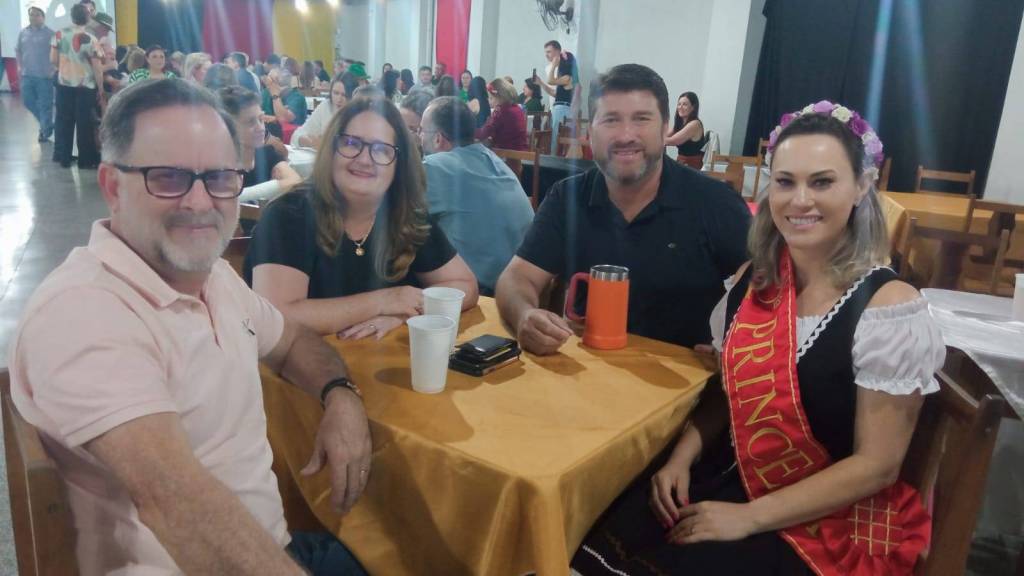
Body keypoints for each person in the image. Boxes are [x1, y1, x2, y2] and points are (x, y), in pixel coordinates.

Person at [8, 78, 370, 576]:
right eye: (169, 177)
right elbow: (178, 504)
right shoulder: (83, 313)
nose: (200, 202)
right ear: (112, 187)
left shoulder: (213, 277)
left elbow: (290, 342)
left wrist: (341, 395)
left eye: (219, 177)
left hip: (271, 547)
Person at [571, 101, 941, 576]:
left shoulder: (888, 308)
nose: (800, 201)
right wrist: (681, 457)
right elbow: (733, 395)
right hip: (729, 478)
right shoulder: (754, 280)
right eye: (785, 182)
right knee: (589, 529)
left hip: (823, 517)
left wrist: (749, 518)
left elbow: (877, 466)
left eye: (822, 182)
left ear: (861, 186)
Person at [496, 64, 750, 354]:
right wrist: (524, 315)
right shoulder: (568, 197)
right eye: (611, 120)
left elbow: (771, 286)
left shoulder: (714, 202)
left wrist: (737, 343)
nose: (626, 135)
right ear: (590, 132)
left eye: (641, 119)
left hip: (686, 376)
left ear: (665, 128)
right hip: (589, 369)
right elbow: (516, 278)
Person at [245, 96, 479, 338]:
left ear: (399, 165)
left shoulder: (405, 214)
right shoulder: (288, 215)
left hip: (381, 358)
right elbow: (277, 317)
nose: (365, 159)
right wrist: (384, 301)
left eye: (381, 149)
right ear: (331, 151)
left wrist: (404, 314)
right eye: (351, 143)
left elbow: (466, 286)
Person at [421, 97, 534, 296]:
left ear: (438, 138)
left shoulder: (433, 167)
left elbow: (394, 215)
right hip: (524, 285)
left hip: (480, 295)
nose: (418, 137)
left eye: (421, 130)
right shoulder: (493, 158)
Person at [220, 86, 303, 205]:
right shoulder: (220, 167)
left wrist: (240, 195)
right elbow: (223, 200)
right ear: (228, 127)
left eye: (261, 119)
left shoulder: (267, 153)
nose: (260, 128)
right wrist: (276, 186)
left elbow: (295, 182)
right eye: (250, 122)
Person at [51, 3, 104, 169]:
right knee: (84, 124)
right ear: (88, 18)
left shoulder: (59, 34)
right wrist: (101, 88)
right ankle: (85, 160)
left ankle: (64, 158)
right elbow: (97, 67)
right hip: (85, 86)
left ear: (72, 16)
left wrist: (64, 69)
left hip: (64, 84)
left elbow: (53, 59)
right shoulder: (91, 39)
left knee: (64, 121)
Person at [16, 6, 55, 143]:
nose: (33, 17)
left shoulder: (51, 34)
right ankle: (47, 125)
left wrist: (53, 69)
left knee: (45, 106)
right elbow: (18, 50)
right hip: (27, 75)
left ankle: (44, 131)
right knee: (28, 101)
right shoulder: (23, 32)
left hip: (45, 76)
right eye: (31, 15)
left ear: (43, 17)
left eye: (37, 15)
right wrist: (19, 66)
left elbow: (58, 53)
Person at [533, 40, 575, 153]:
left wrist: (553, 65)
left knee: (556, 139)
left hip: (562, 108)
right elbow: (555, 93)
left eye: (549, 52)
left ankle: (555, 158)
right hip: (559, 107)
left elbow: (550, 80)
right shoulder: (564, 78)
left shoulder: (568, 78)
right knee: (554, 138)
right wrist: (540, 83)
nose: (546, 55)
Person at [294, 72, 349, 148]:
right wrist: (309, 142)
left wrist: (324, 145)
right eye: (336, 93)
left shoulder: (357, 115)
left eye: (344, 95)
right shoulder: (326, 106)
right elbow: (297, 134)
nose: (339, 99)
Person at [475, 78, 528, 151]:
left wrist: (467, 131)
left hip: (508, 153)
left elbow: (483, 133)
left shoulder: (501, 111)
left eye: (491, 98)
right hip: (522, 152)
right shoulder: (517, 108)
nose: (489, 101)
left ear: (500, 97)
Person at [665, 91, 707, 169]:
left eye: (684, 104)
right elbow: (665, 136)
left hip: (692, 167)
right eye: (679, 104)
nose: (680, 107)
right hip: (682, 163)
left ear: (693, 107)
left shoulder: (695, 124)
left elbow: (672, 141)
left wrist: (652, 140)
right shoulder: (680, 123)